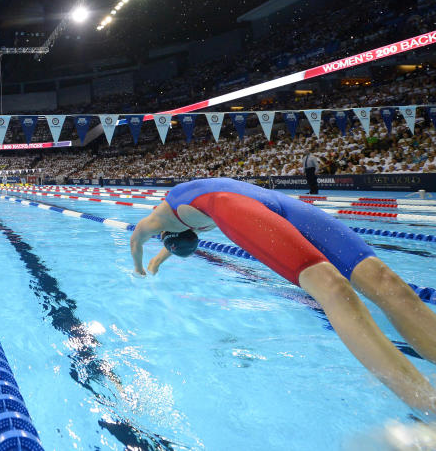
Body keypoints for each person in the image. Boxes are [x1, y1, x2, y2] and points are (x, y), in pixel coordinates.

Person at [130, 177, 436, 415]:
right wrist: (157, 261)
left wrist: (139, 269)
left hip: (263, 200)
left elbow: (135, 240)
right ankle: (427, 404)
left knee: (385, 281)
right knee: (333, 287)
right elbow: (175, 242)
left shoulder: (153, 223)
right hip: (248, 200)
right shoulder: (182, 222)